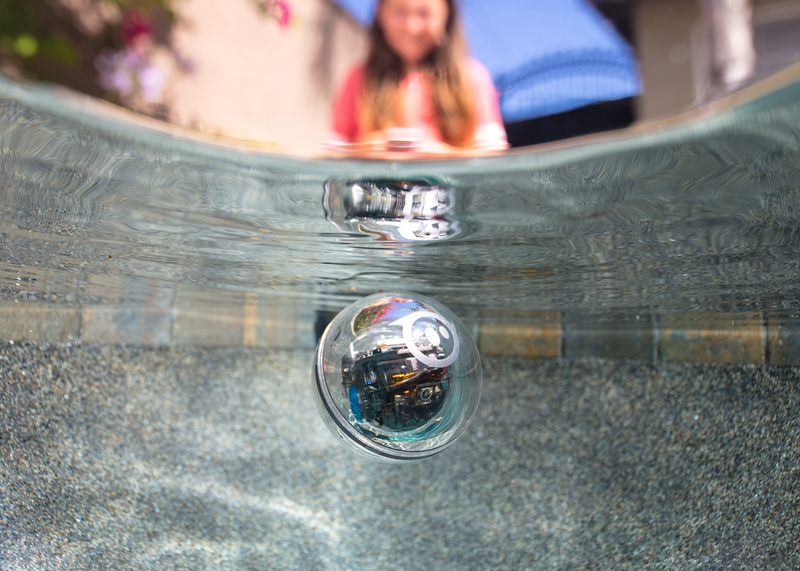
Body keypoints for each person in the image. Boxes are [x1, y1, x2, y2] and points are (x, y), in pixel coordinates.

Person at [326, 0, 508, 157]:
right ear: (380, 12)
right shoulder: (357, 79)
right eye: (400, 12)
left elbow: (493, 153)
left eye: (424, 13)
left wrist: (433, 153)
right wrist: (368, 149)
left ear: (447, 14)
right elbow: (332, 153)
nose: (412, 27)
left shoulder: (472, 78)